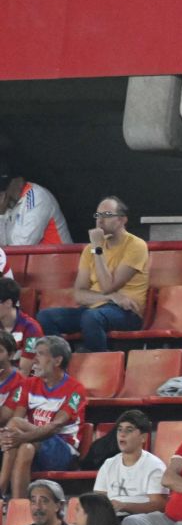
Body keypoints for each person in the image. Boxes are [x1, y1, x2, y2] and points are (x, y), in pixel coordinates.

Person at [37, 196, 147, 352]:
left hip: (127, 313)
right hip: (94, 309)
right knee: (45, 316)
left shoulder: (136, 246)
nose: (100, 220)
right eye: (98, 215)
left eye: (106, 215)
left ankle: (100, 362)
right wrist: (110, 298)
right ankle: (63, 360)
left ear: (122, 220)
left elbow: (108, 286)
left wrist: (97, 247)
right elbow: (79, 294)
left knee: (91, 317)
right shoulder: (89, 250)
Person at [0, 336, 84, 497]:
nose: (35, 359)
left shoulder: (75, 389)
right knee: (25, 448)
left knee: (18, 429)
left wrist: (22, 437)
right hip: (33, 445)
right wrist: (18, 438)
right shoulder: (28, 384)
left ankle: (1, 486)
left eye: (41, 354)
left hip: (63, 450)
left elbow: (55, 427)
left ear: (57, 360)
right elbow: (15, 420)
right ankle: (19, 505)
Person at [94, 410, 167, 518]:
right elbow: (98, 499)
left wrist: (125, 506)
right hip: (111, 519)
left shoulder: (155, 465)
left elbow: (159, 505)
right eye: (119, 430)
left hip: (141, 519)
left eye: (129, 430)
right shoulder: (108, 464)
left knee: (129, 522)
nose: (122, 434)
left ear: (143, 437)